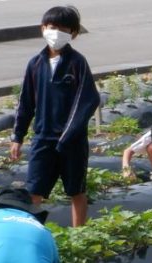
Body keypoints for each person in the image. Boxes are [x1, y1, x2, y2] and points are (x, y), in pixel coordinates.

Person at [10, 5, 100, 227]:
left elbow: (87, 101)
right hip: (43, 138)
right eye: (52, 27)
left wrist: (68, 135)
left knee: (76, 190)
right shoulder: (35, 64)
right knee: (34, 191)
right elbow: (26, 102)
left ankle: (79, 235)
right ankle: (33, 233)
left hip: (72, 141)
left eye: (63, 29)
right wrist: (17, 136)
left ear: (73, 33)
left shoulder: (77, 63)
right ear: (43, 28)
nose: (56, 33)